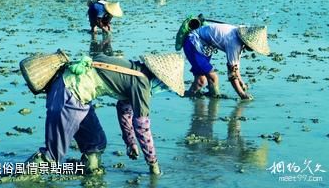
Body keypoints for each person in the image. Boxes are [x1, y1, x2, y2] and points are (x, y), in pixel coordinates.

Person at [25, 52, 185, 175]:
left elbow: (124, 112)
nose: (163, 89)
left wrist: (130, 143)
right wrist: (153, 165)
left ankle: (90, 174)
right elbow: (142, 128)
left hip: (73, 95)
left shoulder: (132, 70)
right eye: (165, 86)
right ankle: (19, 177)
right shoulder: (141, 85)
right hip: (68, 96)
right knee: (53, 156)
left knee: (96, 142)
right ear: (159, 79)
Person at [175, 14, 270, 100]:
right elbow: (232, 74)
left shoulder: (238, 35)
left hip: (205, 47)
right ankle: (214, 101)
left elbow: (235, 67)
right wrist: (242, 94)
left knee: (200, 82)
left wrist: (241, 82)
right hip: (193, 43)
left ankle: (189, 100)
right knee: (213, 77)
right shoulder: (234, 43)